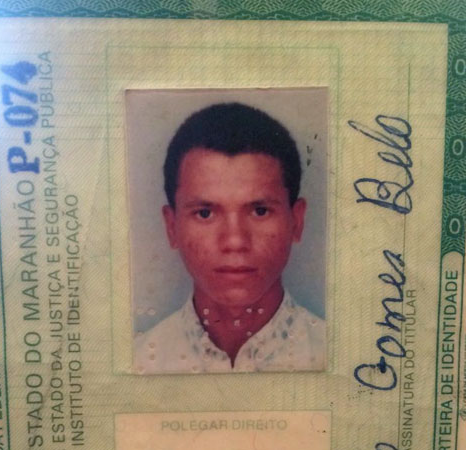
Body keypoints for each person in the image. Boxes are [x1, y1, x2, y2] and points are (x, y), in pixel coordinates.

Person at [134, 102, 325, 374]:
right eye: (204, 213)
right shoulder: (139, 363)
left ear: (297, 221)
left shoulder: (338, 358)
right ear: (172, 226)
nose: (235, 241)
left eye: (260, 211)